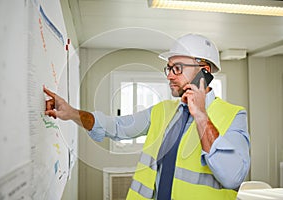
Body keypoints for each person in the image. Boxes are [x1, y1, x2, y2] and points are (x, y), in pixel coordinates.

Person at [44, 33, 250, 200]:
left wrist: (201, 116)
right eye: (168, 68)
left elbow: (232, 176)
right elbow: (116, 126)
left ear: (203, 72)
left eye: (177, 68)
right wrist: (71, 113)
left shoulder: (233, 116)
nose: (169, 75)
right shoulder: (162, 111)